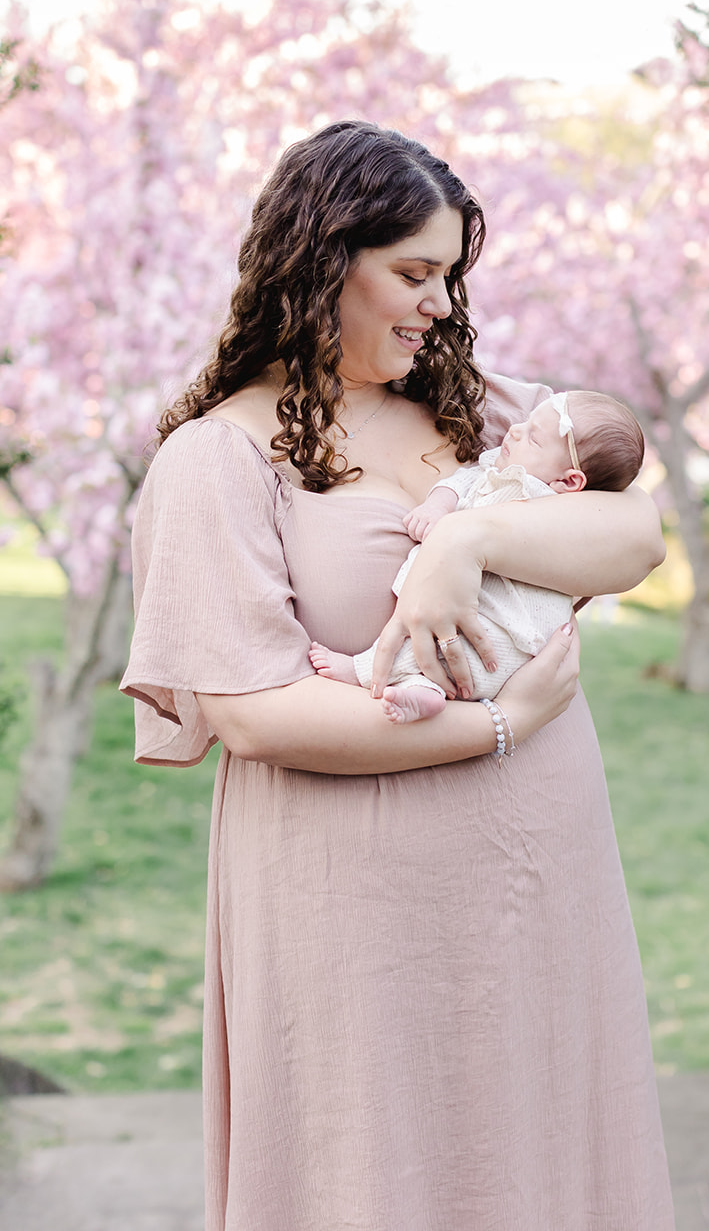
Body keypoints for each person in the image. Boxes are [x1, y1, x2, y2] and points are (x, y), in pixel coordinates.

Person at [120, 120, 675, 1231]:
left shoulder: (492, 413)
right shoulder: (216, 460)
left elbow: (635, 537)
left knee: (543, 1151)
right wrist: (498, 726)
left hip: (537, 878)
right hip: (354, 909)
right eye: (411, 273)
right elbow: (256, 712)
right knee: (369, 1169)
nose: (436, 303)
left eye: (448, 276)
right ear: (320, 260)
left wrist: (463, 546)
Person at [308, 388, 645, 722]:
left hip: (512, 627)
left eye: (534, 439)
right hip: (486, 616)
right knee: (437, 636)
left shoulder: (560, 505)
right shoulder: (496, 470)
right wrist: (437, 505)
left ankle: (363, 671)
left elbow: (620, 533)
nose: (514, 430)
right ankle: (424, 692)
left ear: (569, 481)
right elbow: (463, 481)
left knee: (453, 640)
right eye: (526, 422)